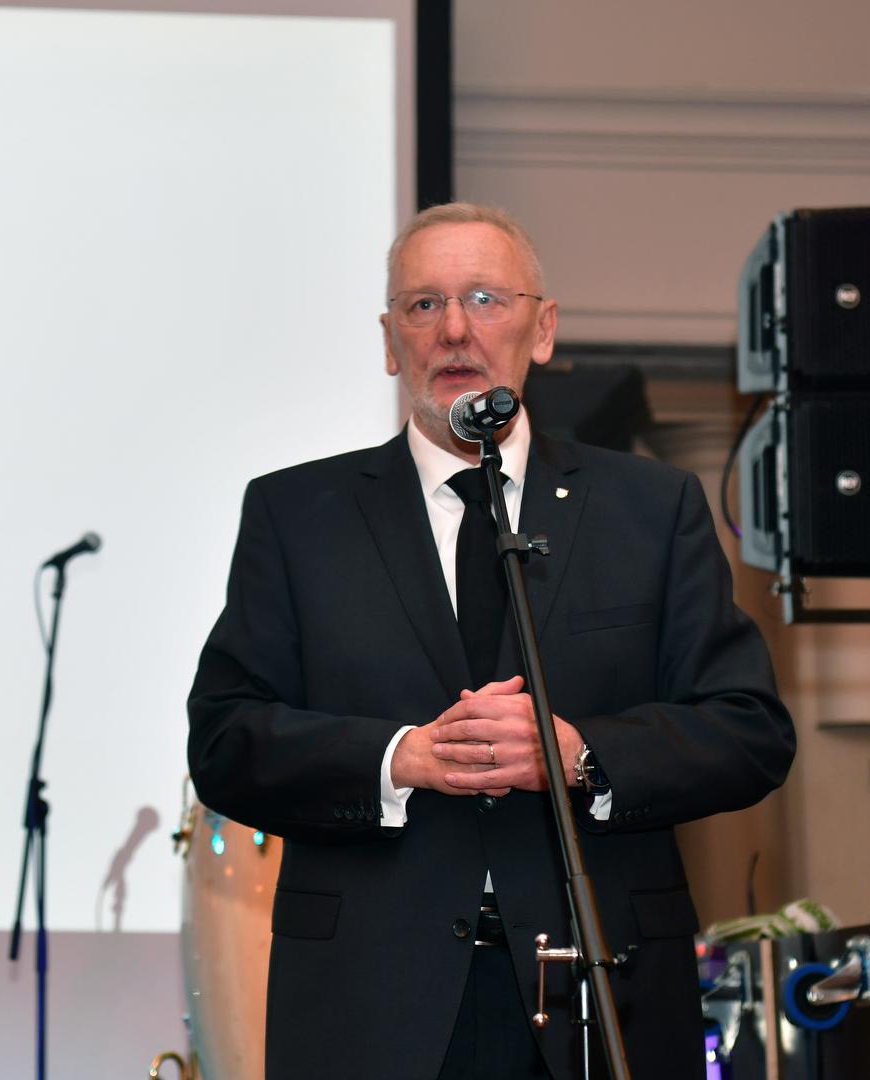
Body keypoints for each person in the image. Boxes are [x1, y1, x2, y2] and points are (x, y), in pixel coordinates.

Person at [186, 202, 794, 1079]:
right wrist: (399, 758)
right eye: (423, 305)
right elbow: (226, 739)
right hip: (369, 1002)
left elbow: (747, 730)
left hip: (599, 990)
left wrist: (579, 755)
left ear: (542, 330)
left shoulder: (649, 509)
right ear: (390, 342)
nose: (454, 330)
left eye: (484, 299)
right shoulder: (298, 515)